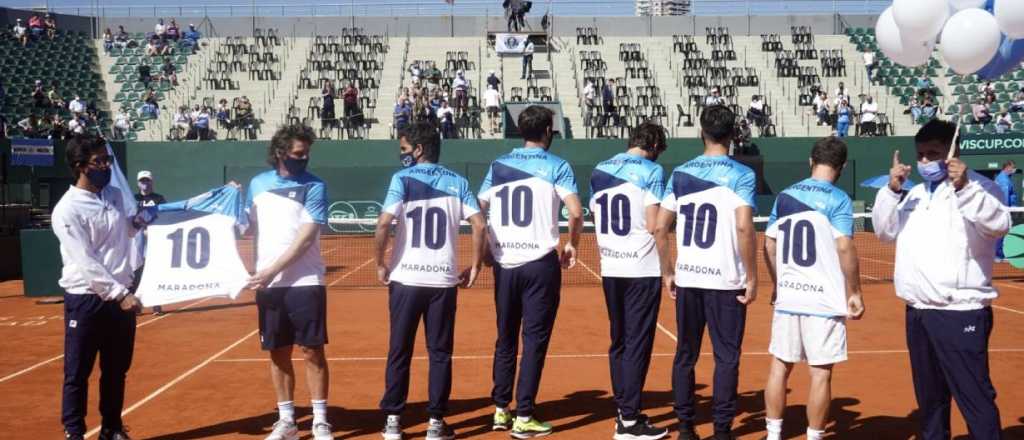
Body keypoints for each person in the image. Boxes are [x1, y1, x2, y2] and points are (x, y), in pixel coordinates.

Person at [874, 119, 1008, 440]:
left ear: (952, 152)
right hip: (918, 311)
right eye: (920, 154)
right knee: (930, 400)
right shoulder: (913, 194)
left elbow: (999, 224)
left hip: (960, 311)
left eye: (932, 154)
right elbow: (883, 232)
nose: (924, 162)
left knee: (974, 398)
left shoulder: (981, 187)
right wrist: (892, 190)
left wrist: (963, 188)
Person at [375, 121, 487, 440]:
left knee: (400, 349)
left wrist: (380, 263)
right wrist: (476, 266)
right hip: (442, 280)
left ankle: (394, 421)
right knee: (440, 352)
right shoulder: (458, 181)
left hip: (406, 280)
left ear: (419, 149)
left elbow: (384, 224)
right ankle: (436, 423)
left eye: (404, 149)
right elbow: (479, 226)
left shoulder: (402, 179)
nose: (402, 155)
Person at [478, 105, 584, 438]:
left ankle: (500, 410)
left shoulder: (498, 165)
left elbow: (479, 209)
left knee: (505, 337)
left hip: (504, 263)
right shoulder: (558, 165)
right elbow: (577, 213)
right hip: (539, 263)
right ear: (546, 132)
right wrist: (573, 244)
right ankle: (524, 414)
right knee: (534, 340)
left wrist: (483, 253)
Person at [654, 105, 757, 440]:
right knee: (726, 358)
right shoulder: (742, 174)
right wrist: (753, 277)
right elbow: (744, 227)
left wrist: (667, 271)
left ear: (702, 132)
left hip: (689, 279)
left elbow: (659, 227)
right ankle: (723, 430)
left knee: (685, 355)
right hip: (726, 281)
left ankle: (685, 426)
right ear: (732, 136)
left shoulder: (681, 173)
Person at [762, 137, 866, 440]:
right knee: (820, 373)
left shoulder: (784, 196)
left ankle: (772, 434)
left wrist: (779, 284)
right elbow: (845, 246)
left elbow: (769, 245)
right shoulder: (839, 199)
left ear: (811, 160)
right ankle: (815, 436)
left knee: (779, 367)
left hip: (790, 296)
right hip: (823, 301)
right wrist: (855, 291)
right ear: (842, 167)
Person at [53, 134, 146, 440]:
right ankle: (75, 432)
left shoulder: (115, 195)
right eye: (100, 161)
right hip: (87, 298)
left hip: (120, 296)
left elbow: (122, 235)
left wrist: (136, 224)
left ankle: (111, 428)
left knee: (116, 370)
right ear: (80, 166)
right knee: (78, 372)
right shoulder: (66, 210)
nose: (106, 166)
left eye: (107, 160)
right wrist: (121, 294)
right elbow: (86, 261)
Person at [246, 125, 333, 440]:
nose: (305, 158)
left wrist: (271, 270)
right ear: (281, 152)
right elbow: (247, 228)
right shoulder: (256, 185)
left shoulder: (315, 185)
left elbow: (306, 238)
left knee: (312, 351)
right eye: (299, 153)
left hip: (306, 280)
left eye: (307, 152)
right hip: (269, 285)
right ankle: (287, 421)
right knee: (277, 352)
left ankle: (320, 420)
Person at [590, 122, 671, 440]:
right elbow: (654, 224)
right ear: (652, 145)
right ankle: (629, 421)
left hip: (611, 265)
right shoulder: (651, 170)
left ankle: (624, 409)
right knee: (638, 343)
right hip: (641, 267)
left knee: (620, 341)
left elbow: (596, 214)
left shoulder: (600, 169)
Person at [133, 170, 168, 315]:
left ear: (151, 182)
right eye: (142, 180)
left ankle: (156, 304)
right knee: (136, 270)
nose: (144, 183)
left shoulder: (159, 198)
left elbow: (164, 215)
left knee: (153, 269)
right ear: (138, 183)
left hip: (153, 237)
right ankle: (136, 304)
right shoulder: (133, 198)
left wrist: (151, 229)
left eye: (147, 180)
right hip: (136, 237)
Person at [995, 160, 1017, 261]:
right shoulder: (1004, 180)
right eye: (1012, 167)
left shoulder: (1003, 178)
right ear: (1007, 167)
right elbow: (1004, 197)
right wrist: (1007, 210)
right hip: (1004, 210)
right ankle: (998, 255)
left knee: (1002, 231)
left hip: (1002, 210)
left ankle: (999, 254)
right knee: (1001, 232)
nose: (1014, 170)